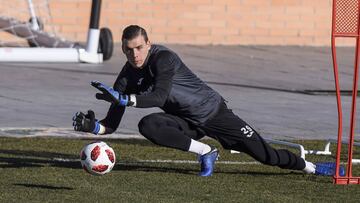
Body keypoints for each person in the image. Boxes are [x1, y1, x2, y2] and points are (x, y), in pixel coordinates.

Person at [73, 25, 340, 177]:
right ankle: (205, 152)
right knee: (149, 125)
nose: (135, 54)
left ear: (148, 44)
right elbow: (112, 124)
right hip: (186, 122)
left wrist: (126, 98)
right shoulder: (126, 76)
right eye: (129, 49)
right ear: (122, 49)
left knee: (266, 156)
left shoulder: (164, 58)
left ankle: (313, 167)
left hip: (214, 113)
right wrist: (93, 127)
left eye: (139, 47)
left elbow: (159, 96)